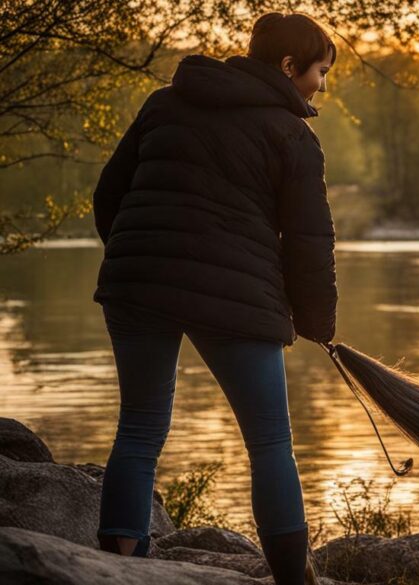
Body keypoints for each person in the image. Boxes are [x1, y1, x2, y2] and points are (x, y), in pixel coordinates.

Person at [90, 12, 338, 585]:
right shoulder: (292, 135)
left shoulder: (164, 103)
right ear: (287, 66)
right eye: (321, 72)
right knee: (270, 440)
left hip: (135, 285)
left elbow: (110, 193)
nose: (322, 85)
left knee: (140, 426)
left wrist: (139, 260)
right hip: (235, 299)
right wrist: (318, 324)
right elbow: (309, 241)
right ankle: (292, 580)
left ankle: (117, 569)